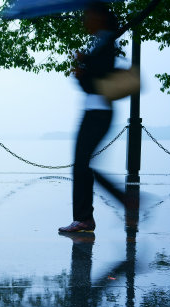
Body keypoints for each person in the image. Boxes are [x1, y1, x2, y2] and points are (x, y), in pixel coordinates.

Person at [59, 1, 127, 233]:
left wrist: (82, 70)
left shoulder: (105, 41)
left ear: (99, 17)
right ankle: (91, 214)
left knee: (82, 165)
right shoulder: (101, 41)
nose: (84, 20)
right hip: (95, 111)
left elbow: (94, 84)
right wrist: (84, 67)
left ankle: (85, 218)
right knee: (83, 164)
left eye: (88, 15)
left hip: (98, 111)